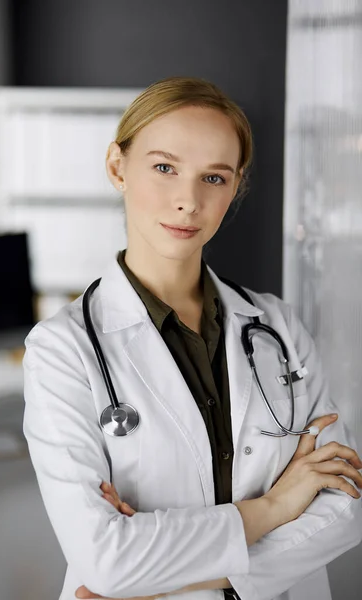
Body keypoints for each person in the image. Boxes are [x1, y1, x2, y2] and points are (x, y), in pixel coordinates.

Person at [23, 76, 362, 600]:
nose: (188, 200)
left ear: (236, 185)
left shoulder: (279, 330)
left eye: (215, 178)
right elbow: (106, 560)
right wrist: (275, 507)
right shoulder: (61, 349)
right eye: (164, 168)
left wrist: (186, 575)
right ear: (118, 167)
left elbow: (346, 502)